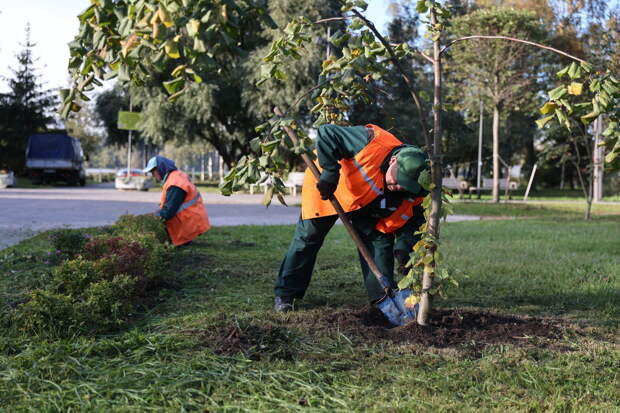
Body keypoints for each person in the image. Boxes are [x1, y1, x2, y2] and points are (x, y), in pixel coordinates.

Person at [273, 124, 429, 312]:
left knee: (377, 242)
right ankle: (286, 295)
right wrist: (330, 172)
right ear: (394, 160)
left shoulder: (418, 183)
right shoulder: (370, 140)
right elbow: (327, 132)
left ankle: (382, 299)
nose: (396, 187)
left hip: (364, 201)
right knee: (308, 239)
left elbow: (413, 219)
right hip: (328, 188)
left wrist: (405, 248)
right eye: (397, 180)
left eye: (403, 186)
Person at [143, 155, 211, 246]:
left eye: (153, 172)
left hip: (189, 223)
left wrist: (151, 218)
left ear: (160, 168)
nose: (153, 175)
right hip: (192, 220)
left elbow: (168, 212)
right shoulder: (176, 177)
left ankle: (181, 240)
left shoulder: (175, 184)